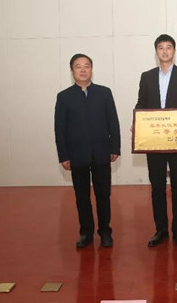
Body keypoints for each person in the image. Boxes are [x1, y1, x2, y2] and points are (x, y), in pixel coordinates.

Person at [135, 34, 177, 248]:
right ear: (156, 52)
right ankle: (160, 230)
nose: (164, 51)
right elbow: (141, 104)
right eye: (160, 47)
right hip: (154, 140)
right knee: (157, 186)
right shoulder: (147, 76)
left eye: (168, 47)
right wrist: (137, 123)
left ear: (174, 51)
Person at [54, 53, 121, 248]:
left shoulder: (104, 93)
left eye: (86, 66)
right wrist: (63, 155)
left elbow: (113, 122)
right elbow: (59, 129)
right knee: (82, 197)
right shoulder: (64, 97)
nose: (83, 70)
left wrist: (115, 147)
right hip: (77, 155)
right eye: (78, 66)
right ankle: (86, 233)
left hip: (102, 153)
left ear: (91, 69)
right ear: (72, 71)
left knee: (103, 195)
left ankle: (105, 232)